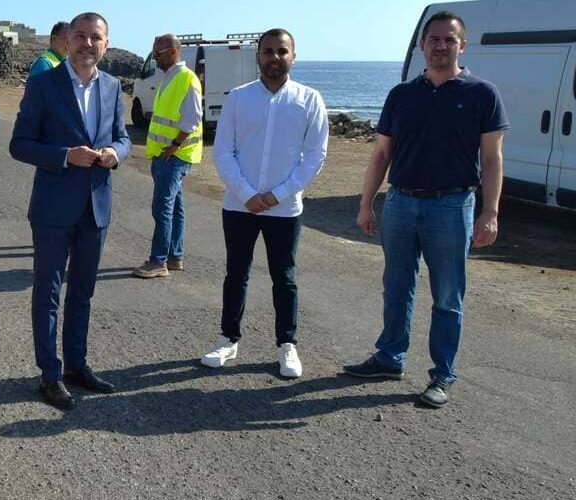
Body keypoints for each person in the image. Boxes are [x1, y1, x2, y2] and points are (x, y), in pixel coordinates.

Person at [344, 11, 507, 408]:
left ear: (462, 45)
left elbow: (493, 159)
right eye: (433, 39)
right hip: (400, 202)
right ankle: (389, 357)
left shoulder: (482, 93)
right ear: (422, 45)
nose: (440, 45)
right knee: (397, 286)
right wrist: (367, 203)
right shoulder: (402, 94)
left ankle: (442, 375)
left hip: (452, 206)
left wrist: (491, 212)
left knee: (448, 295)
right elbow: (382, 152)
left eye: (449, 40)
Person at [9, 12, 130, 409]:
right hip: (52, 208)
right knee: (48, 293)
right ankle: (50, 374)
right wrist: (65, 156)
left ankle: (77, 365)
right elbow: (20, 144)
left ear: (105, 45)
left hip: (96, 206)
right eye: (80, 36)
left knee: (83, 292)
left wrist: (116, 153)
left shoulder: (112, 87)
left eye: (96, 37)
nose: (87, 44)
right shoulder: (44, 84)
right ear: (66, 41)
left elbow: (123, 137)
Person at [200, 28, 327, 379]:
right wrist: (247, 194)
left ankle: (287, 345)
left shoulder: (309, 99)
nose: (275, 57)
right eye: (268, 51)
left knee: (283, 276)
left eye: (282, 51)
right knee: (236, 273)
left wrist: (276, 195)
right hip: (240, 206)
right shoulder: (239, 98)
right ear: (257, 56)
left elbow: (315, 156)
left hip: (284, 209)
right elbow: (223, 151)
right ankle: (228, 338)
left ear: (293, 56)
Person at [132, 34, 204, 278]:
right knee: (174, 208)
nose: (154, 57)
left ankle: (158, 261)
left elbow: (193, 119)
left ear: (173, 52)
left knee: (162, 207)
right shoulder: (170, 77)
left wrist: (174, 146)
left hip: (174, 156)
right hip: (168, 154)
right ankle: (174, 256)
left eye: (158, 53)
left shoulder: (185, 79)